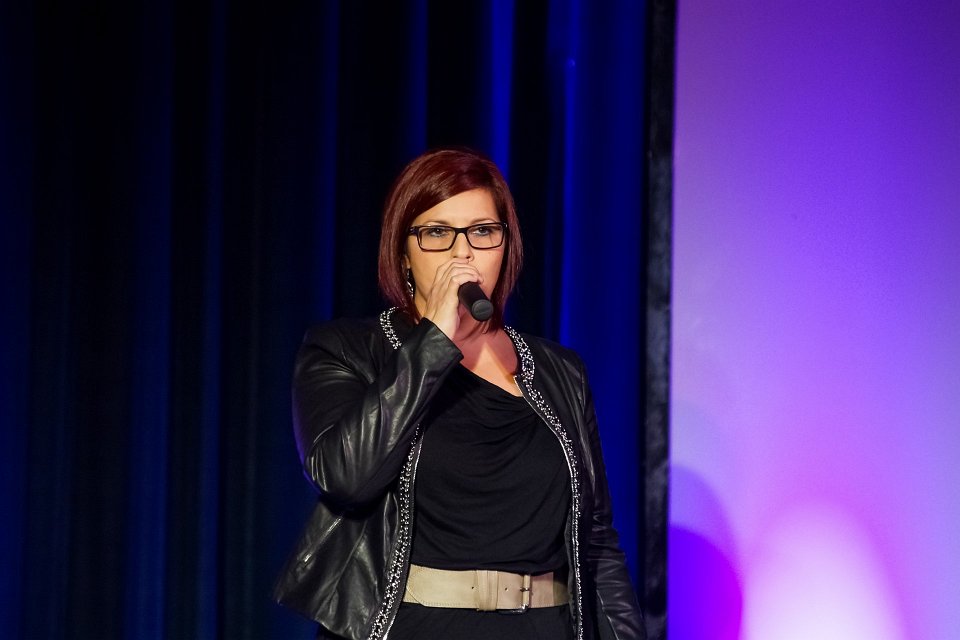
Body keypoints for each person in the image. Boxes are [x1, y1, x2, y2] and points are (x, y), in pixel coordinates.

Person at [274, 147, 645, 640]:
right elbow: (346, 476)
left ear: (505, 248)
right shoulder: (348, 350)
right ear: (402, 254)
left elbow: (595, 541)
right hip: (412, 626)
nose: (462, 252)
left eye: (482, 231)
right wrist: (433, 341)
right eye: (436, 233)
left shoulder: (560, 371)